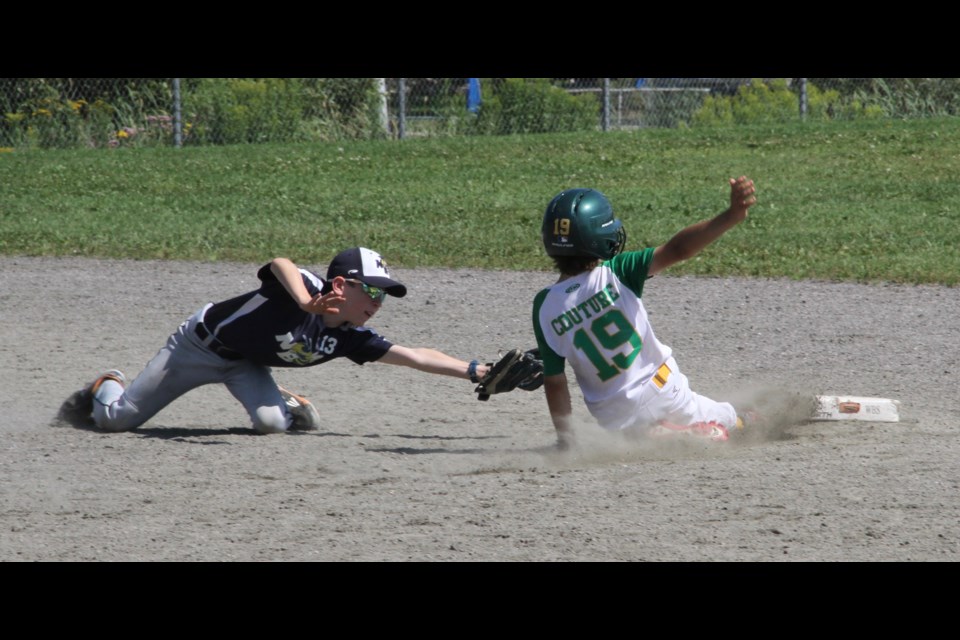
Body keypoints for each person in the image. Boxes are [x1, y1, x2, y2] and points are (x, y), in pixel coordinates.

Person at [59, 247, 494, 433]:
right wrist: (306, 302)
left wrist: (473, 370)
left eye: (385, 294)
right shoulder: (304, 288)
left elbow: (415, 356)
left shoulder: (347, 336)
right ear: (342, 285)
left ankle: (288, 403)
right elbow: (279, 262)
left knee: (271, 426)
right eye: (373, 290)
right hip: (196, 348)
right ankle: (108, 381)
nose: (379, 301)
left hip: (247, 364)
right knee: (115, 422)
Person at [532, 177, 758, 450]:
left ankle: (656, 432)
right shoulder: (618, 272)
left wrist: (566, 441)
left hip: (616, 422)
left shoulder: (544, 306)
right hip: (665, 393)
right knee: (739, 420)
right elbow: (679, 249)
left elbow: (555, 383)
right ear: (600, 238)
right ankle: (696, 429)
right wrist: (731, 215)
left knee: (636, 435)